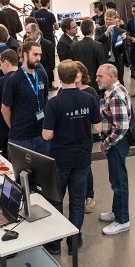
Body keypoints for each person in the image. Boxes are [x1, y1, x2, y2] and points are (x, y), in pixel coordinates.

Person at [42, 61, 101, 255]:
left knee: (56, 200)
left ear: (59, 77)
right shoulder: (89, 98)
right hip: (82, 157)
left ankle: (55, 243)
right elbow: (98, 128)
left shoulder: (54, 103)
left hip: (60, 158)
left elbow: (47, 135)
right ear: (77, 75)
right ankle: (74, 241)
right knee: (77, 200)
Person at [96, 63, 132, 235]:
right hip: (115, 142)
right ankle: (116, 212)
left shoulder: (116, 95)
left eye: (100, 76)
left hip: (117, 143)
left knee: (119, 182)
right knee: (115, 179)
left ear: (111, 77)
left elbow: (122, 127)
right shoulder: (112, 91)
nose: (97, 79)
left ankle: (123, 220)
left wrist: (106, 143)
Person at [1, 40, 50, 155]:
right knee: (23, 172)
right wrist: (14, 127)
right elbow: (5, 108)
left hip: (41, 134)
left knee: (44, 171)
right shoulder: (13, 79)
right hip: (21, 137)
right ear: (25, 55)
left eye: (40, 55)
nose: (38, 58)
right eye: (35, 54)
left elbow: (45, 99)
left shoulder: (42, 74)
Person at [74, 61, 100, 214]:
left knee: (86, 167)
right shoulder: (63, 91)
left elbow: (96, 117)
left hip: (84, 137)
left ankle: (89, 196)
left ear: (83, 73)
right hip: (68, 137)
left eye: (78, 72)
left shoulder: (91, 92)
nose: (76, 75)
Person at [70, 19, 107, 91]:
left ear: (81, 30)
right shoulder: (98, 45)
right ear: (93, 30)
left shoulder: (74, 46)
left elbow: (71, 65)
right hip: (95, 84)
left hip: (78, 83)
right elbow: (102, 65)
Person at [95, 9, 128, 84]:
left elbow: (122, 50)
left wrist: (124, 40)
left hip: (117, 61)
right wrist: (106, 33)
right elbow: (97, 42)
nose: (108, 21)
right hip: (104, 61)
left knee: (119, 81)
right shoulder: (99, 30)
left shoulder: (121, 31)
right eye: (106, 19)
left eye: (110, 19)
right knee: (104, 82)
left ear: (115, 19)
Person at [25, 23, 55, 88]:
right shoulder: (26, 43)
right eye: (26, 33)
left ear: (36, 31)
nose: (27, 35)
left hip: (43, 78)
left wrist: (40, 75)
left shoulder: (48, 45)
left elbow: (51, 64)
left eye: (29, 33)